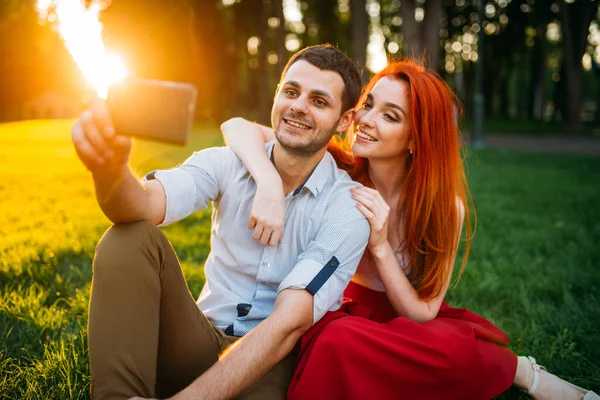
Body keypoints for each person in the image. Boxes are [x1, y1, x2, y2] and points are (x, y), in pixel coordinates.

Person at [221, 60, 599, 400]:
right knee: (337, 341)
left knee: (453, 351)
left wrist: (382, 246)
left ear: (416, 138)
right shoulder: (335, 167)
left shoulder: (445, 208)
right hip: (336, 311)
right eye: (368, 104)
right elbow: (236, 127)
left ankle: (520, 371)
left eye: (390, 116)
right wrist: (268, 185)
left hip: (405, 320)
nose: (367, 119)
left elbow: (423, 314)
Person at [70, 44, 371, 400]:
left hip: (270, 362)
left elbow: (288, 324)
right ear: (277, 94)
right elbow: (144, 204)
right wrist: (110, 172)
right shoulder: (228, 163)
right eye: (291, 92)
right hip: (200, 338)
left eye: (319, 101)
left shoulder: (347, 208)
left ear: (344, 120)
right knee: (128, 238)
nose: (299, 106)